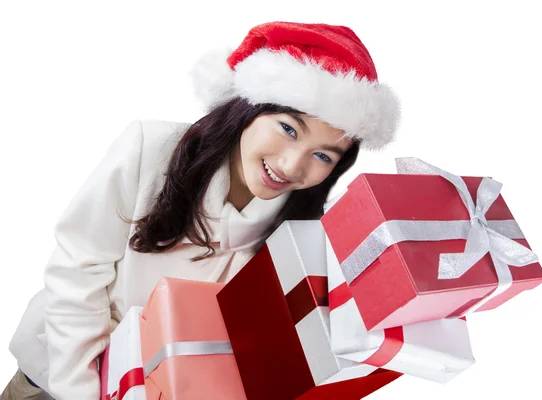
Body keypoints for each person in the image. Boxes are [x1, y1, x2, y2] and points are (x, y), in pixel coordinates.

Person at [1, 21, 400, 400]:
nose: (293, 166)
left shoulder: (301, 237)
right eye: (288, 129)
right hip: (58, 373)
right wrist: (82, 390)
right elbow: (77, 270)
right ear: (249, 108)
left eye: (323, 156)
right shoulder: (150, 149)